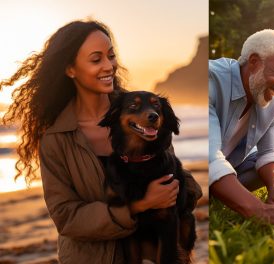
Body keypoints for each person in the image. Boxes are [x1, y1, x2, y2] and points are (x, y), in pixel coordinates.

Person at [0, 20, 201, 263]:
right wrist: (139, 205)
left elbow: (171, 172)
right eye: (96, 60)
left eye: (111, 56)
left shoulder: (140, 117)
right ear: (70, 69)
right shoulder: (56, 138)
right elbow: (67, 218)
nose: (109, 66)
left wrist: (184, 189)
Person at [209, 29, 274, 232]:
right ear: (254, 61)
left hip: (229, 165)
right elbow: (208, 157)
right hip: (190, 169)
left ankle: (222, 192)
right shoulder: (209, 80)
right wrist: (257, 209)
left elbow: (269, 152)